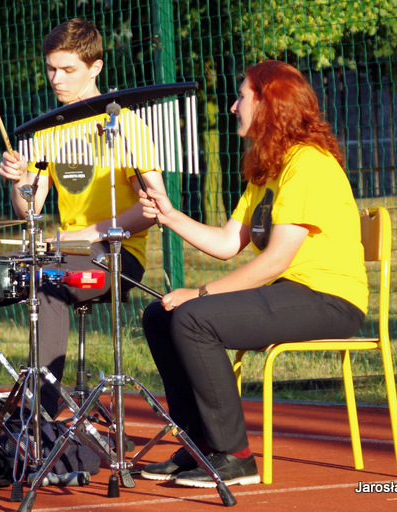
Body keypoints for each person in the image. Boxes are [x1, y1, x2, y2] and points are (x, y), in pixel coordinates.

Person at [137, 60, 368, 488]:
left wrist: (200, 293)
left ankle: (235, 456)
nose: (232, 106)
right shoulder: (269, 169)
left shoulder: (309, 164)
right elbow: (229, 242)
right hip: (293, 293)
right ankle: (199, 445)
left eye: (241, 96)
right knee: (160, 315)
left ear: (269, 104)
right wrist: (169, 215)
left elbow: (275, 260)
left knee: (193, 317)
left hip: (330, 299)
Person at [0, 18, 167, 416]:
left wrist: (87, 235)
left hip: (117, 255)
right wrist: (19, 181)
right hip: (65, 251)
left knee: (48, 282)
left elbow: (153, 207)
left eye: (68, 70)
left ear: (95, 67)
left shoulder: (126, 125)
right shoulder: (46, 131)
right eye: (51, 69)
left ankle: (38, 415)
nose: (56, 79)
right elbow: (29, 209)